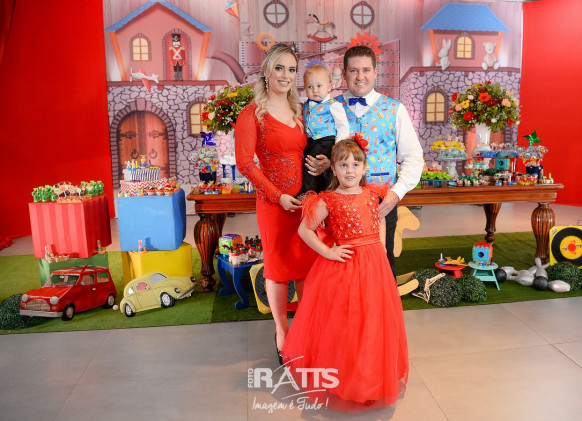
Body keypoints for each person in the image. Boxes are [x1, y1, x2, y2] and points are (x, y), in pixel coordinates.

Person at [282, 138, 408, 411]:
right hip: (345, 267)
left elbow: (380, 220)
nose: (350, 170)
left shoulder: (373, 195)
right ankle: (346, 379)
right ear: (333, 169)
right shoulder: (328, 199)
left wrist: (382, 252)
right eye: (343, 165)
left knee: (372, 320)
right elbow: (305, 230)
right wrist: (328, 252)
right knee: (347, 322)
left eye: (355, 164)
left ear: (364, 168)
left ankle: (370, 378)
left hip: (374, 265)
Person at [235, 44, 317, 364]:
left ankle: (306, 330)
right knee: (279, 268)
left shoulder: (300, 111)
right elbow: (245, 163)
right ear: (267, 72)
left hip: (304, 203)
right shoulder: (251, 114)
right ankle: (282, 333)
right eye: (279, 68)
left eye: (292, 69)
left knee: (306, 267)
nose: (286, 75)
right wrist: (276, 195)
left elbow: (308, 153)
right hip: (274, 204)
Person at [335, 45, 424, 277]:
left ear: (376, 72)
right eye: (353, 70)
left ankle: (384, 301)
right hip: (338, 203)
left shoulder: (395, 109)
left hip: (381, 204)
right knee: (341, 267)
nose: (360, 76)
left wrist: (395, 194)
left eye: (366, 70)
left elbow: (413, 157)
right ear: (344, 74)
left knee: (382, 264)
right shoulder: (330, 108)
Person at [296, 64, 349, 196]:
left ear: (329, 87)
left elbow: (343, 126)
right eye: (310, 87)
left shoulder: (333, 105)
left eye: (319, 86)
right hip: (311, 141)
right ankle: (318, 189)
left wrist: (337, 147)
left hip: (326, 140)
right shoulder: (305, 105)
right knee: (307, 161)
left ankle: (307, 191)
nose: (315, 90)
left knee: (312, 162)